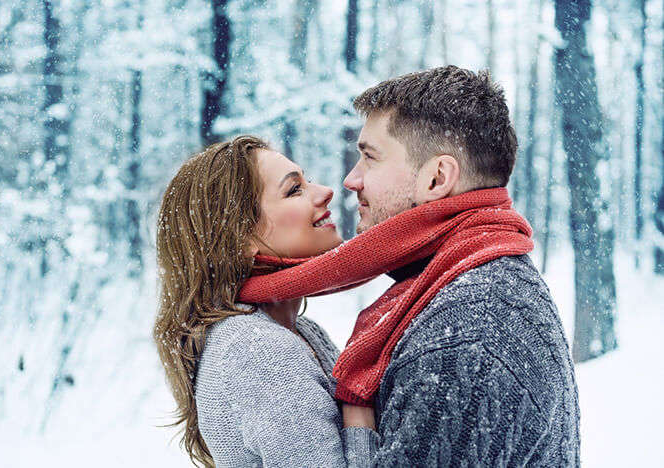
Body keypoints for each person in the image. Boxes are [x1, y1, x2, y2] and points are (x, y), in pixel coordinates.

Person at [238, 66, 580, 466]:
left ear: (437, 178)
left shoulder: (465, 336)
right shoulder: (481, 281)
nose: (351, 180)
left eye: (370, 158)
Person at [153, 136, 379, 468]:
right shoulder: (256, 348)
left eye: (308, 180)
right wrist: (359, 407)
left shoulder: (294, 329)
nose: (326, 191)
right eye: (294, 190)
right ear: (240, 238)